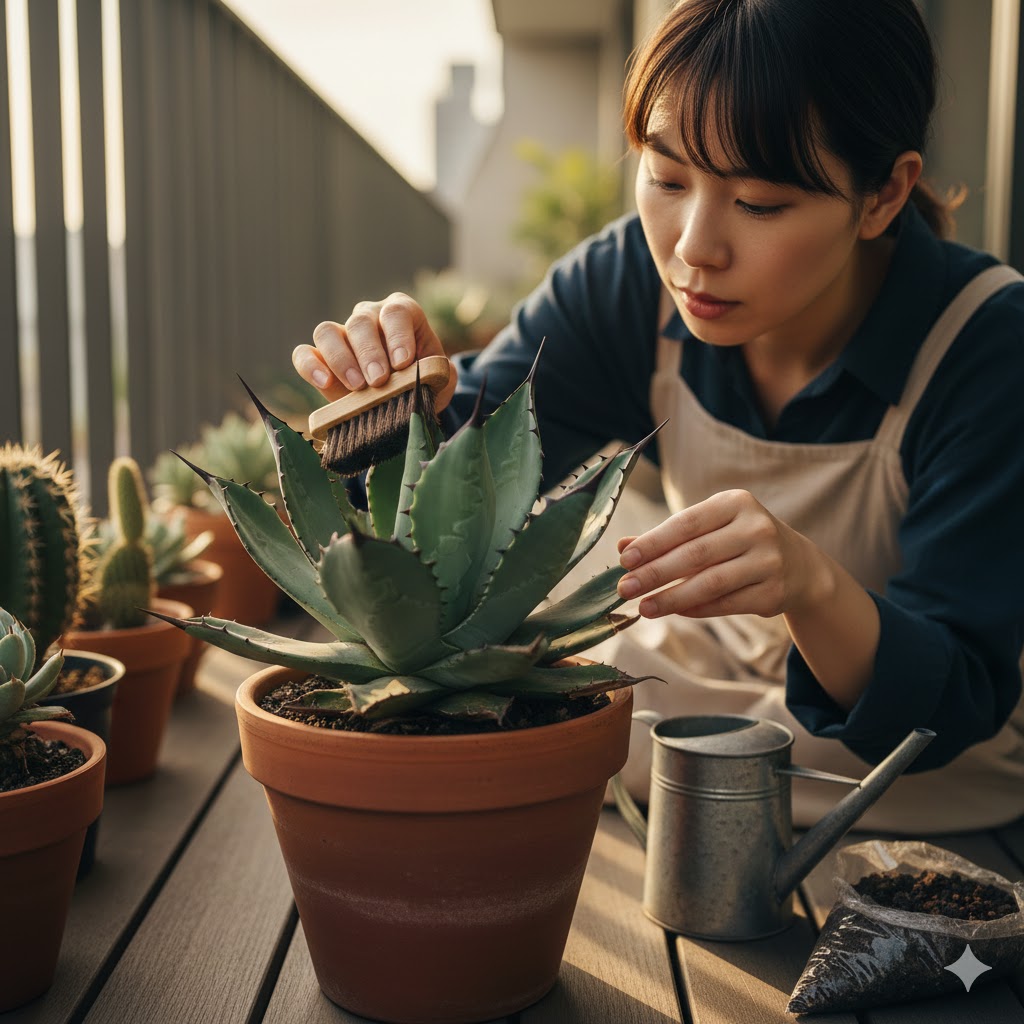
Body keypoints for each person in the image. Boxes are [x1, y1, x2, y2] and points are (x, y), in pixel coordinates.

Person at [292, 0, 1024, 833]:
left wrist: (812, 586)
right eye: (667, 178)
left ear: (883, 196)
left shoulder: (985, 343)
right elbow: (456, 506)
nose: (692, 248)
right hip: (712, 679)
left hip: (915, 753)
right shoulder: (624, 285)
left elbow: (951, 701)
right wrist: (404, 407)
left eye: (758, 203)